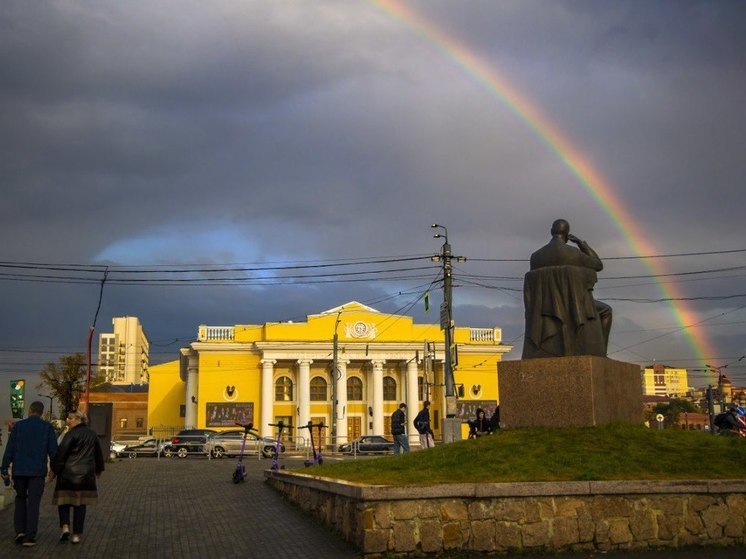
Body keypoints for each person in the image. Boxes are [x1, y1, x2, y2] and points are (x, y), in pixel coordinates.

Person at [523, 219, 612, 359]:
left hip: (543, 311)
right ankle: (601, 356)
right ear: (567, 234)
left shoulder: (536, 256)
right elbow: (598, 265)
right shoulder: (573, 253)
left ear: (552, 231)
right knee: (606, 311)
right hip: (574, 306)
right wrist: (582, 244)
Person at [1, 400, 58, 547]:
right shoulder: (47, 427)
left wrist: (4, 468)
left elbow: (10, 449)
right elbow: (53, 451)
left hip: (19, 471)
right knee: (33, 503)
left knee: (20, 499)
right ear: (41, 412)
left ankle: (19, 531)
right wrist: (54, 469)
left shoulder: (18, 427)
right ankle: (30, 536)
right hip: (37, 472)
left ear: (30, 411)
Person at [51, 410, 105, 545]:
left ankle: (65, 527)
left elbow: (61, 454)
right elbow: (98, 454)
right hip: (86, 475)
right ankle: (76, 535)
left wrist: (54, 470)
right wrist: (99, 469)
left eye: (70, 418)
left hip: (67, 474)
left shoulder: (70, 434)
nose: (67, 420)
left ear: (78, 419)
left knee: (63, 501)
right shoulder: (92, 434)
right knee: (80, 505)